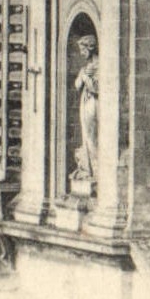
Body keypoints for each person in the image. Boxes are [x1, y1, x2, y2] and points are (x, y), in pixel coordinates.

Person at [71, 34, 99, 193]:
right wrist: (83, 75)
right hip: (85, 103)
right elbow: (76, 85)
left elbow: (96, 89)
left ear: (91, 47)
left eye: (83, 49)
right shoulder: (86, 68)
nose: (81, 53)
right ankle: (87, 169)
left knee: (92, 138)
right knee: (86, 137)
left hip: (94, 104)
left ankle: (95, 172)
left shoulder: (99, 65)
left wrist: (87, 78)